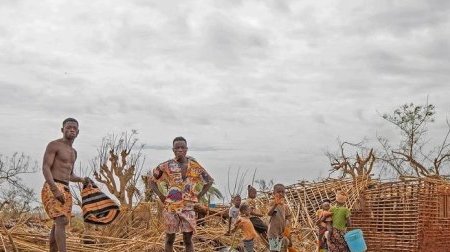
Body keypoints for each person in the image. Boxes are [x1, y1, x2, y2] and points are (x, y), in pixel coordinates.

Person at [149, 136, 214, 252]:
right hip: (171, 208)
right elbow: (151, 180)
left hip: (188, 208)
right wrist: (160, 195)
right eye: (177, 148)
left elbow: (209, 181)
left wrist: (199, 196)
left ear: (186, 149)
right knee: (169, 238)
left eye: (182, 147)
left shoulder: (195, 166)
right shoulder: (166, 165)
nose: (180, 150)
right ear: (173, 150)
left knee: (188, 239)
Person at [41, 118, 90, 252]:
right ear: (62, 130)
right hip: (53, 186)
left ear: (78, 132)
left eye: (74, 128)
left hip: (66, 188)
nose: (72, 130)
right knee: (61, 221)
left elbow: (70, 175)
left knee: (59, 223)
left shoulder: (74, 153)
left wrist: (82, 179)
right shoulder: (54, 145)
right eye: (68, 127)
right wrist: (54, 189)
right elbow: (45, 168)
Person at [267, 184, 291, 252]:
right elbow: (269, 213)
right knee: (274, 250)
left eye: (282, 192)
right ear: (274, 193)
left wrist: (288, 222)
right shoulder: (272, 203)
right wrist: (276, 204)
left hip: (282, 233)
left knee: (283, 249)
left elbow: (288, 217)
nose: (281, 193)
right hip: (273, 233)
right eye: (278, 192)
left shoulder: (285, 206)